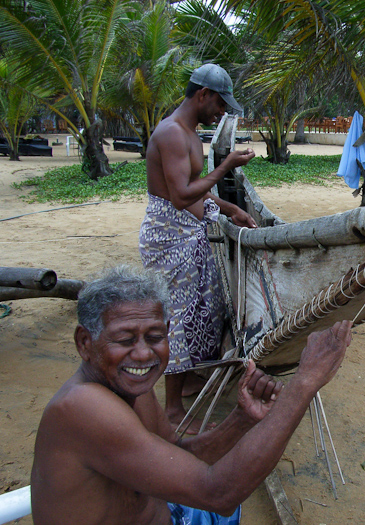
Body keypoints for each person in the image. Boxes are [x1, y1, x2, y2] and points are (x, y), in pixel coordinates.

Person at [30, 265, 352, 525]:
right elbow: (217, 494)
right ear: (84, 343)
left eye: (155, 336)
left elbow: (179, 456)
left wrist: (242, 420)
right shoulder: (82, 408)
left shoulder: (131, 389)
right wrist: (305, 382)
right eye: (125, 340)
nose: (143, 354)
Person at [139, 63, 257, 432]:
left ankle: (188, 378)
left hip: (189, 230)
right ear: (203, 95)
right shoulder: (173, 133)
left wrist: (233, 209)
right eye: (221, 105)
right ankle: (171, 409)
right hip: (169, 237)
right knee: (179, 317)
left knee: (205, 309)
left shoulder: (189, 132)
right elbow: (179, 195)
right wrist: (227, 167)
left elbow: (197, 189)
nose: (222, 113)